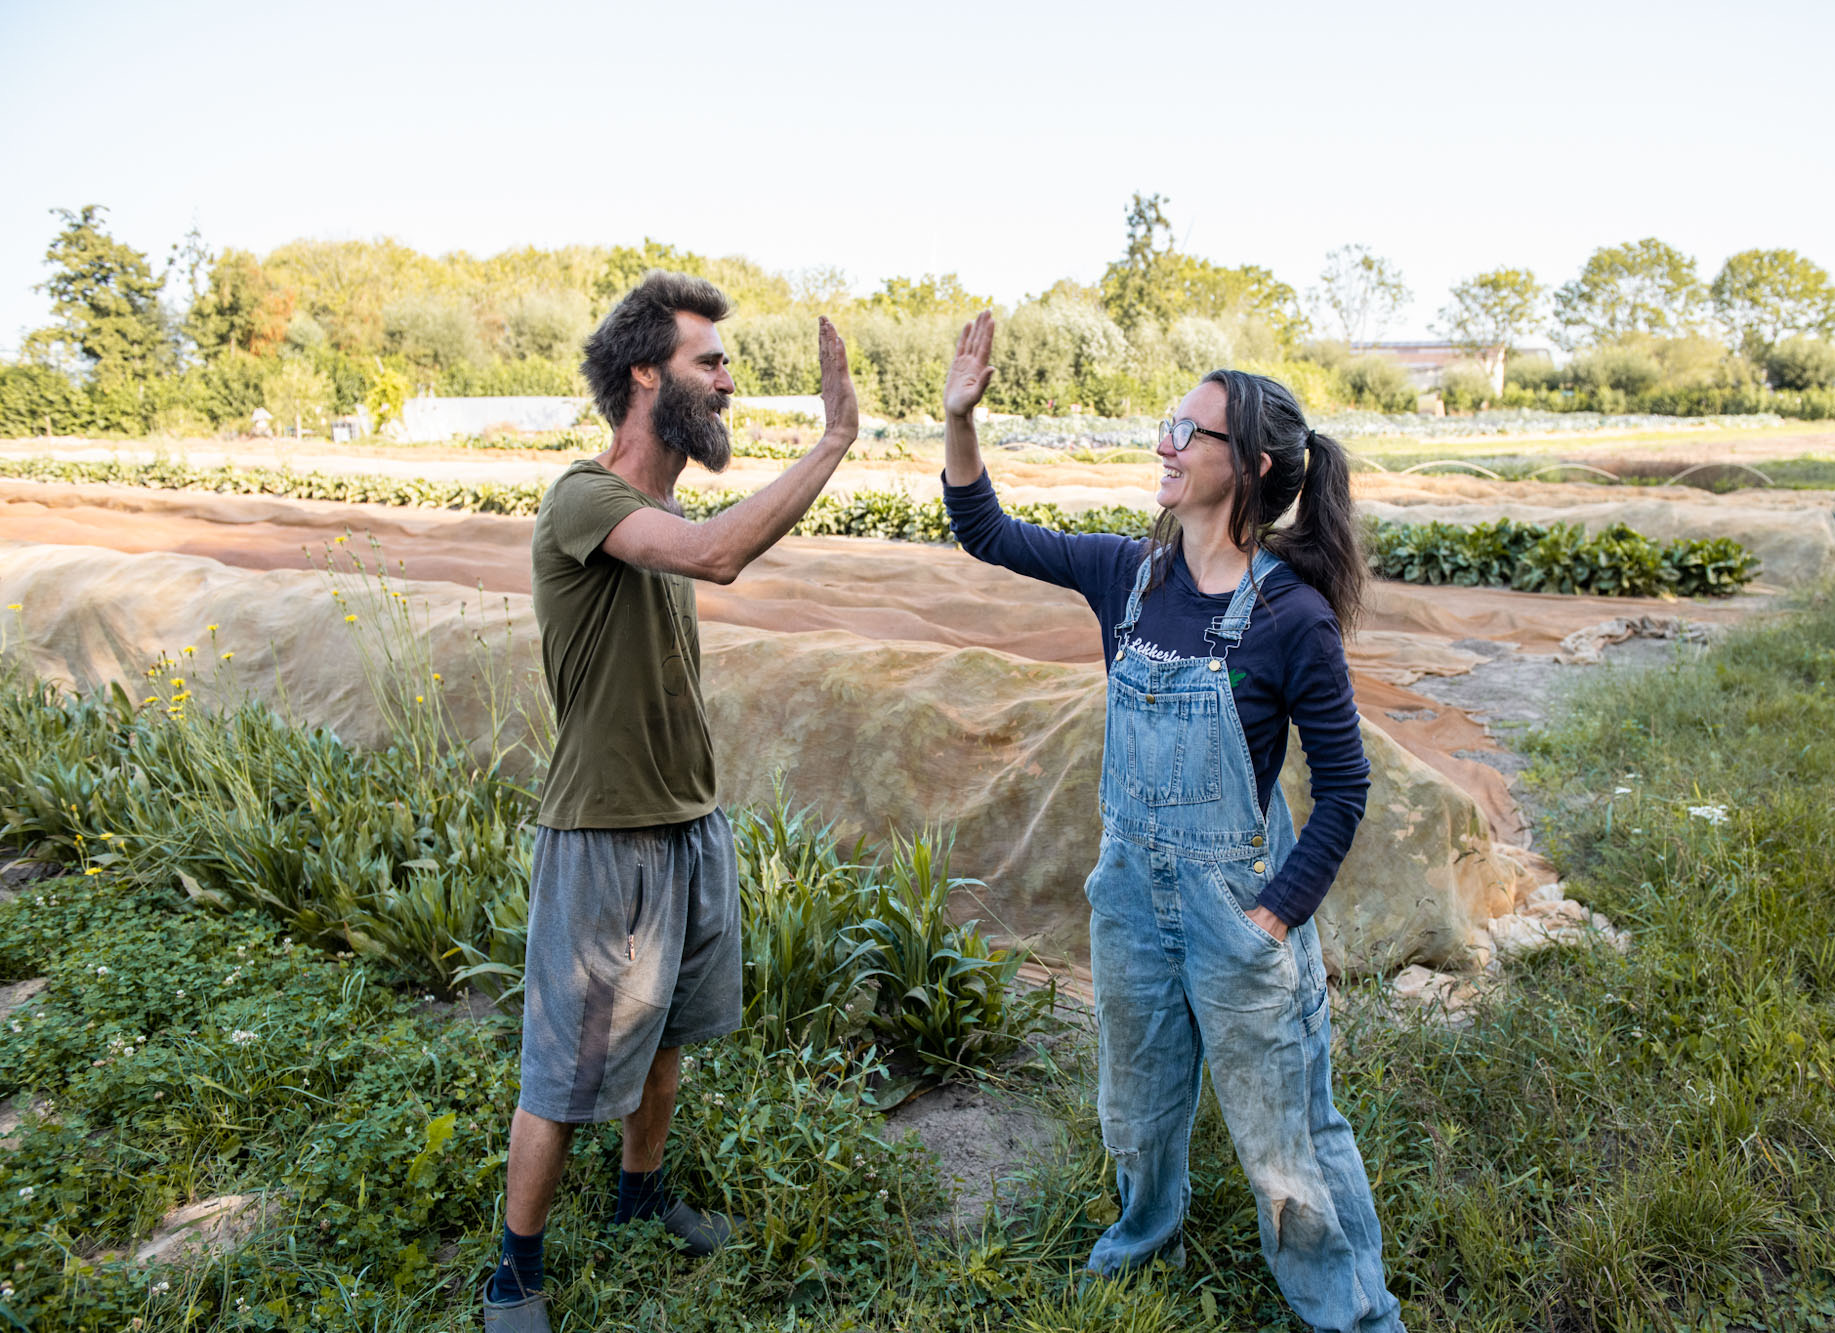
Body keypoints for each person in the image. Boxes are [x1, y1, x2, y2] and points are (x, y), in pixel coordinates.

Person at [940, 313, 1402, 1332]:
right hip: (1130, 896)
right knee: (1137, 1108)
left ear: (1249, 465)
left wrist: (1272, 921)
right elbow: (985, 532)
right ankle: (1143, 1234)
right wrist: (959, 420)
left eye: (1186, 431)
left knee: (1286, 1132)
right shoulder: (1129, 575)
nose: (1164, 443)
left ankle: (1352, 1314)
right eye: (1169, 425)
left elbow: (1345, 789)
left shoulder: (1291, 618)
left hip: (1235, 908)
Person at [483, 271, 859, 1332]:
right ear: (645, 372)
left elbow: (699, 540)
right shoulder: (585, 499)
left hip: (688, 823)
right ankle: (514, 1269)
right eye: (710, 360)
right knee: (565, 1069)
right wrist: (831, 441)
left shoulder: (659, 506)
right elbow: (720, 556)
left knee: (667, 1039)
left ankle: (639, 1194)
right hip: (602, 835)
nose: (727, 383)